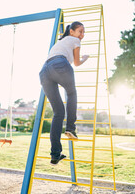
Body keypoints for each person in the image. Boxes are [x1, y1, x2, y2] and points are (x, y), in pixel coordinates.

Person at [39, 21, 89, 165]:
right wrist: (85, 57)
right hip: (60, 65)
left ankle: (55, 154)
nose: (82, 35)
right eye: (80, 31)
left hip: (44, 72)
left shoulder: (60, 42)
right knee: (72, 93)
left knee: (58, 112)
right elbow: (77, 62)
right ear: (71, 32)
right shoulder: (75, 40)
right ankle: (71, 128)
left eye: (83, 32)